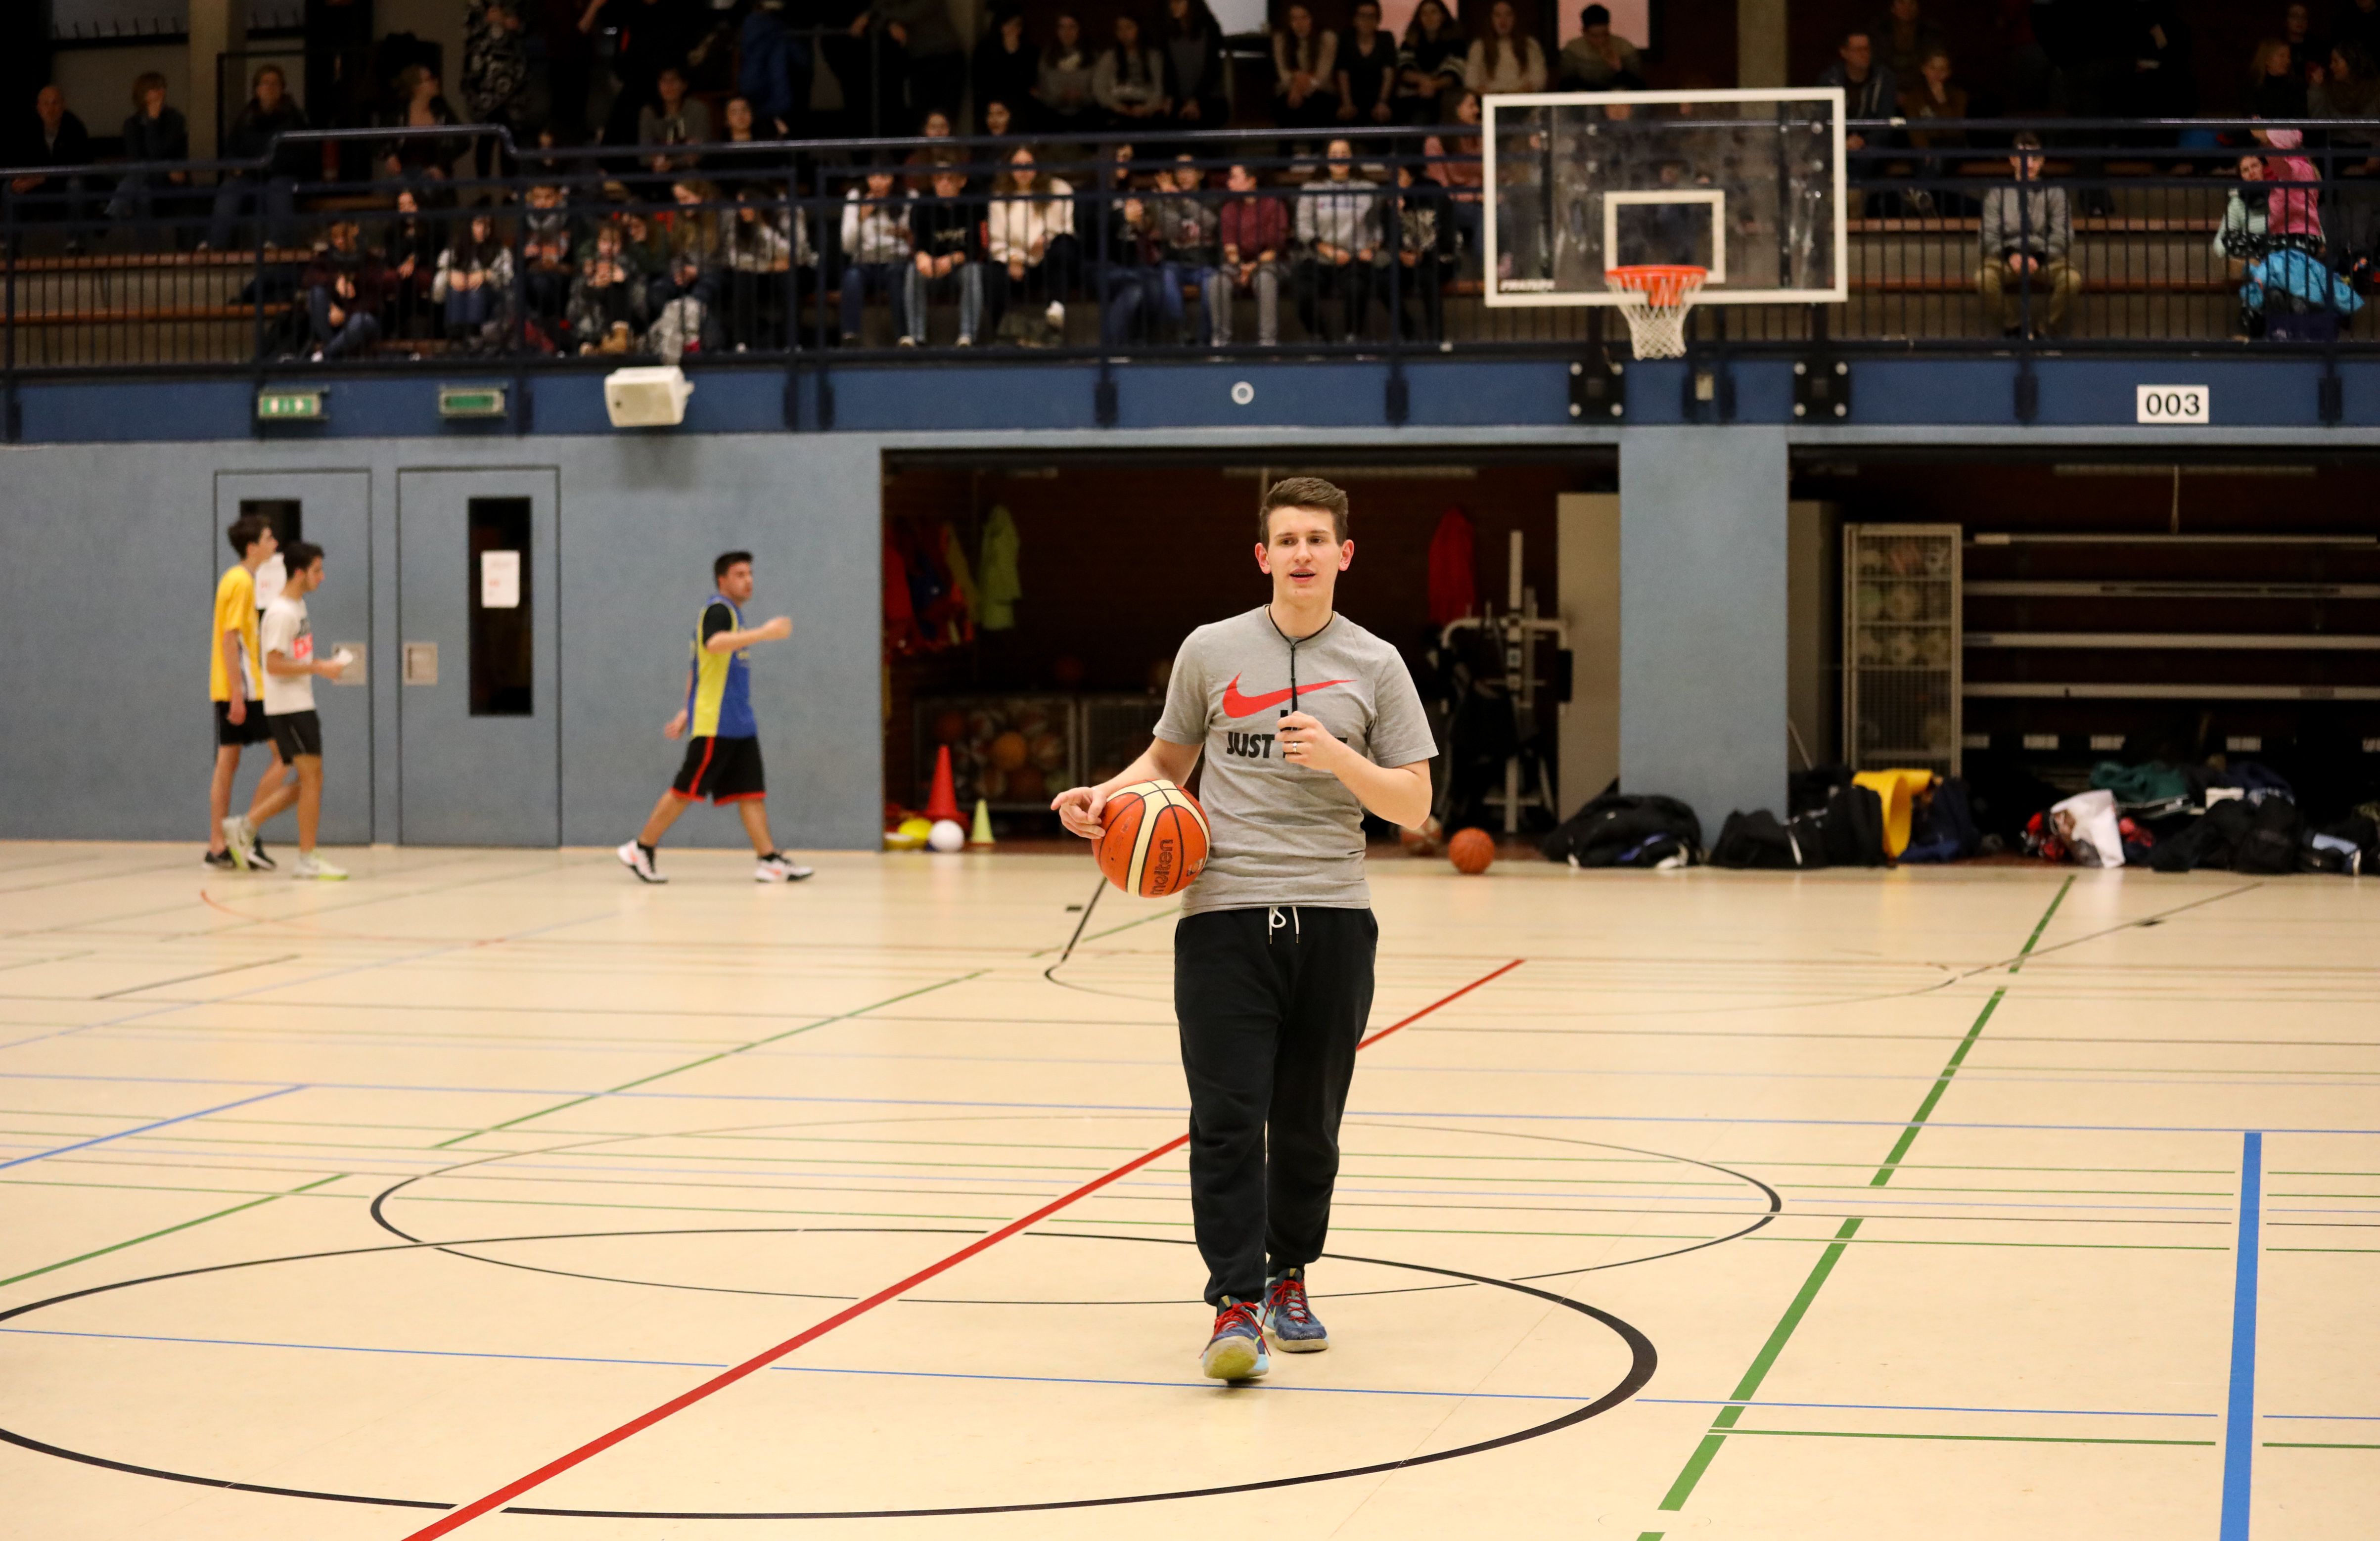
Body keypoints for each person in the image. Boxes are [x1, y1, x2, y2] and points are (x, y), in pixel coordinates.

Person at [1048, 476, 1435, 1383]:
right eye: (1286, 540)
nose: (1302, 554)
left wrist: (1339, 758)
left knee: (1307, 1126)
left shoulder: (1377, 664)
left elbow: (1416, 804)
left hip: (1333, 916)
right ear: (1263, 556)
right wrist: (1105, 795)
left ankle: (1288, 1276)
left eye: (1317, 539)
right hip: (1222, 918)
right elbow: (1168, 759)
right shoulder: (1210, 649)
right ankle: (1233, 1305)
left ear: (1344, 554)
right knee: (1226, 1120)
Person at [618, 551, 813, 885]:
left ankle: (769, 861)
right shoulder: (718, 611)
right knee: (686, 790)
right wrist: (764, 633)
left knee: (751, 792)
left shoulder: (734, 615)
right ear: (723, 580)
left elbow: (698, 668)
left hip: (739, 722)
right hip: (717, 722)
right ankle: (641, 847)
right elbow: (714, 645)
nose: (748, 580)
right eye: (739, 574)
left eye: (750, 573)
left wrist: (685, 710)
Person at [251, 542, 350, 881]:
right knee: (311, 779)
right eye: (316, 571)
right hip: (288, 707)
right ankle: (306, 857)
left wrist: (319, 666)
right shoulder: (281, 613)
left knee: (312, 779)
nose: (322, 577)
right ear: (299, 573)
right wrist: (319, 667)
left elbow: (295, 657)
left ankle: (246, 826)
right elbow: (274, 665)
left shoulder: (298, 606)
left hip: (300, 703)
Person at [209, 514, 291, 871]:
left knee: (227, 763)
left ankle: (218, 846)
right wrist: (239, 695)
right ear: (252, 547)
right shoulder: (242, 582)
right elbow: (231, 640)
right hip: (245, 690)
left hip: (230, 687)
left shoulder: (235, 578)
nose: (275, 544)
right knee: (285, 755)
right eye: (269, 538)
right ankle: (246, 832)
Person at [1977, 132, 2079, 338]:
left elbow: (2063, 235)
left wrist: (2039, 258)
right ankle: (2014, 328)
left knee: (2072, 280)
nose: (2030, 165)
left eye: (2035, 159)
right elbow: (1988, 235)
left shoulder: (2055, 192)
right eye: (2024, 159)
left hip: (2045, 257)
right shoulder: (1997, 193)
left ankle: (2046, 331)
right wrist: (2011, 255)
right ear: (2013, 160)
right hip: (2007, 257)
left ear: (2043, 161)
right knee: (1984, 279)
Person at [205, 65, 308, 252]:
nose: (270, 88)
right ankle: (216, 244)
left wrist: (267, 165)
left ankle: (280, 244)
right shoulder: (246, 118)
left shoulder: (294, 118)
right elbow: (231, 149)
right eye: (265, 83)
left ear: (283, 89)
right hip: (250, 177)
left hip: (282, 176)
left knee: (278, 187)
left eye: (275, 84)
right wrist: (235, 165)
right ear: (257, 89)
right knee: (230, 187)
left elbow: (300, 155)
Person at [985, 145, 1077, 342]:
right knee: (993, 275)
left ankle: (1056, 308)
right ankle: (1001, 333)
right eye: (1017, 165)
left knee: (1064, 246)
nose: (1023, 170)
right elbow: (997, 238)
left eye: (1028, 164)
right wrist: (1014, 258)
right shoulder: (1000, 196)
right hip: (1016, 262)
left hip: (1047, 259)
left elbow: (1064, 226)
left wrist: (1047, 238)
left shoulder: (1058, 189)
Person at [1296, 138, 1379, 343]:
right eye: (1334, 154)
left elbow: (1377, 228)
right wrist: (1326, 250)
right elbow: (1303, 227)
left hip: (1354, 259)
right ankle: (1319, 337)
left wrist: (1371, 248)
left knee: (1357, 288)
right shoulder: (1311, 188)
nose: (1339, 159)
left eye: (1344, 154)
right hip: (1319, 258)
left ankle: (1353, 338)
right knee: (1302, 292)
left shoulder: (1368, 189)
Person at [907, 156, 984, 345]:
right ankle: (917, 336)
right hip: (932, 267)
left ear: (962, 181)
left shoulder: (972, 205)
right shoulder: (922, 205)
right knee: (912, 272)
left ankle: (967, 336)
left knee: (973, 272)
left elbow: (976, 247)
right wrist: (921, 256)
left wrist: (953, 259)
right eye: (939, 179)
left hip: (959, 268)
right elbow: (918, 243)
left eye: (949, 179)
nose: (944, 183)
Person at [107, 74, 188, 246]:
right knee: (142, 193)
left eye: (163, 87)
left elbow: (157, 152)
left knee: (142, 174)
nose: (161, 92)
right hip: (145, 179)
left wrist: (153, 121)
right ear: (143, 95)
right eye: (155, 88)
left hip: (168, 181)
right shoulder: (132, 124)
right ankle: (150, 251)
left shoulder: (175, 119)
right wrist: (165, 166)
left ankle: (114, 209)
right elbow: (136, 159)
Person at [1150, 152, 1221, 344]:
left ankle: (1203, 340)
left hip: (1205, 263)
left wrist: (1183, 200)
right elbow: (1169, 231)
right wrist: (1165, 203)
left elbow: (1210, 224)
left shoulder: (1212, 199)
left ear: (1200, 174)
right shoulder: (1166, 199)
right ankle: (1181, 335)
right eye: (1179, 171)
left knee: (1212, 285)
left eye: (1188, 170)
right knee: (1165, 278)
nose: (1183, 176)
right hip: (1175, 263)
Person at [839, 163, 913, 345]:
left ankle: (904, 337)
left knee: (896, 276)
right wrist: (861, 218)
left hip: (896, 261)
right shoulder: (856, 197)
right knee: (852, 277)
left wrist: (904, 234)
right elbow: (847, 246)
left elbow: (913, 240)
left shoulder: (908, 197)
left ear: (893, 179)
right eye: (873, 177)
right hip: (864, 262)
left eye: (884, 177)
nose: (878, 183)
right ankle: (850, 336)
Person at [1216, 161, 1288, 346]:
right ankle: (1221, 343)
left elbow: (1274, 250)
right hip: (1238, 264)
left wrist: (1251, 268)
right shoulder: (1229, 209)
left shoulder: (1273, 205)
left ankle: (1268, 343)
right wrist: (1241, 266)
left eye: (1234, 177)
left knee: (1265, 279)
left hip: (1269, 263)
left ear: (1251, 181)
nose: (1229, 182)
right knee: (1217, 282)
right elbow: (1230, 247)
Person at [13, 86, 94, 249]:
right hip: (35, 186)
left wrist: (41, 178)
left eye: (55, 103)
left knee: (76, 185)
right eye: (46, 104)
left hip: (63, 184)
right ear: (38, 107)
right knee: (10, 188)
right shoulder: (28, 128)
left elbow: (78, 163)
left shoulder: (75, 127)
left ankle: (76, 242)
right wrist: (20, 179)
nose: (50, 109)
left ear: (64, 106)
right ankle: (11, 244)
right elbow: (20, 159)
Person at [463, 0, 531, 178]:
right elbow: (469, 28)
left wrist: (513, 23)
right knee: (486, 136)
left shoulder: (516, 4)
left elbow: (526, 25)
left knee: (510, 134)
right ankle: (483, 188)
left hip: (512, 76)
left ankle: (509, 188)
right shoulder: (476, 5)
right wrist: (489, 20)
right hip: (485, 77)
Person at [303, 220, 382, 359]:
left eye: (344, 236)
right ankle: (334, 350)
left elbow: (374, 300)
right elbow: (308, 278)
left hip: (360, 318)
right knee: (316, 294)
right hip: (332, 317)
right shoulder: (325, 258)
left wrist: (346, 313)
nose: (340, 241)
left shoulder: (371, 261)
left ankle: (326, 355)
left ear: (355, 233)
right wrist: (336, 281)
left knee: (361, 320)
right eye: (335, 237)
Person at [569, 220, 651, 353]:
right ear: (598, 243)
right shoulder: (589, 267)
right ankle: (594, 350)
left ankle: (620, 338)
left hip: (628, 321)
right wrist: (591, 286)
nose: (609, 247)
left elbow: (642, 305)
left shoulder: (630, 266)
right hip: (593, 324)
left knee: (617, 288)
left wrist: (625, 282)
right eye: (604, 242)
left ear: (622, 245)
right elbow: (573, 310)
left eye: (614, 243)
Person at [377, 65, 465, 185]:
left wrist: (440, 165)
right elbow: (376, 141)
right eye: (430, 79)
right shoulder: (399, 113)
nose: (436, 82)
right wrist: (389, 156)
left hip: (436, 179)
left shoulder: (441, 110)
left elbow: (463, 140)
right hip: (403, 178)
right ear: (416, 87)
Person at [435, 212, 514, 347]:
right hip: (461, 292)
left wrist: (487, 275)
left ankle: (474, 338)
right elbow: (440, 275)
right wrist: (450, 275)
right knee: (456, 292)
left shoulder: (500, 250)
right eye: (478, 224)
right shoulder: (455, 248)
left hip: (492, 295)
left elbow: (508, 278)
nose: (483, 230)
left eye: (487, 226)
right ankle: (456, 340)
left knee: (475, 293)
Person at [880, 0, 967, 122]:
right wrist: (890, 22)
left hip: (945, 58)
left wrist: (886, 18)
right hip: (919, 60)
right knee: (922, 118)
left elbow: (909, 14)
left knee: (944, 118)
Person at [1094, 14, 1172, 129]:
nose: (1124, 33)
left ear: (1139, 29)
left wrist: (1148, 108)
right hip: (1116, 106)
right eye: (1120, 29)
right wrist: (1115, 105)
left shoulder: (1154, 57)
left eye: (1129, 27)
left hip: (1145, 107)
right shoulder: (1109, 57)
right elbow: (1099, 87)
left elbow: (1159, 87)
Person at [1395, 0, 1467, 123]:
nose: (1429, 18)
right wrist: (1424, 82)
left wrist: (1432, 85)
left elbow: (1454, 73)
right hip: (1414, 97)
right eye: (1424, 14)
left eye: (1434, 12)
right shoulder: (1409, 42)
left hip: (1447, 97)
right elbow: (1404, 70)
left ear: (1443, 16)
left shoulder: (1457, 43)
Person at [1274, 4, 1340, 136]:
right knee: (1282, 103)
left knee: (1321, 103)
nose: (1300, 23)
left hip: (1319, 90)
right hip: (1290, 89)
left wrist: (1300, 89)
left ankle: (1317, 146)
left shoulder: (1327, 38)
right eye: (1294, 19)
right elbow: (1283, 73)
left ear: (1312, 19)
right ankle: (1285, 147)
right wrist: (1295, 87)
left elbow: (1323, 75)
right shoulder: (1281, 39)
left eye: (1304, 18)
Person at [1163, 0, 1229, 129]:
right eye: (1171, 3)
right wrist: (1170, 98)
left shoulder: (1209, 29)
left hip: (1209, 99)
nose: (1174, 7)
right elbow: (1169, 71)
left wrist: (1195, 100)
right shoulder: (1170, 33)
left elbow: (1211, 70)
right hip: (1181, 99)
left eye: (1179, 2)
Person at [974, 5, 1042, 129]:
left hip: (1020, 105)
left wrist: (1014, 53)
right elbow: (983, 81)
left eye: (1017, 25)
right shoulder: (985, 50)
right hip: (992, 102)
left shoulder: (1030, 52)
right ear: (1001, 26)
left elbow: (1028, 83)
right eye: (1009, 24)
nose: (1013, 29)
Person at [639, 66, 712, 179]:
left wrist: (673, 163)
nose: (669, 86)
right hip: (657, 174)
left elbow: (700, 152)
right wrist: (656, 161)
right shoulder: (649, 112)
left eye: (673, 81)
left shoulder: (698, 109)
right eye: (664, 81)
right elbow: (644, 154)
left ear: (684, 85)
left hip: (691, 173)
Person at [1465, 1, 1548, 97]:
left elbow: (1539, 81)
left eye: (1508, 15)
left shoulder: (1530, 45)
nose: (1503, 20)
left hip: (1522, 100)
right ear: (1490, 19)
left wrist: (1517, 93)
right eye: (1498, 15)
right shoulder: (1479, 47)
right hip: (1490, 101)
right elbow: (1471, 82)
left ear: (1515, 18)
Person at [1336, 1, 1398, 127]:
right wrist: (1347, 103)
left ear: (1378, 19)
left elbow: (1389, 73)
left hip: (1379, 96)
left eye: (1371, 16)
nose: (1367, 21)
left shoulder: (1386, 38)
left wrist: (1382, 102)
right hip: (1352, 96)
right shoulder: (1346, 38)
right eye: (1362, 16)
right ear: (1354, 19)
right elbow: (1343, 72)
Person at [1556, 4, 1644, 90]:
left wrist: (1619, 69)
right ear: (1584, 32)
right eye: (1595, 36)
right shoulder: (1573, 50)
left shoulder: (1625, 48)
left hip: (1616, 95)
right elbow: (1565, 86)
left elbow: (1639, 87)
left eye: (1605, 35)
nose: (1601, 40)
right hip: (1584, 95)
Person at [1035, 13, 1097, 132]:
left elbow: (1097, 91)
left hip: (1087, 115)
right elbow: (1043, 92)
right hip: (1053, 116)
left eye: (1072, 27)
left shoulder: (1093, 57)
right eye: (1062, 27)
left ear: (1080, 30)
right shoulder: (1047, 58)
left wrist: (1081, 96)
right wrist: (1061, 97)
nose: (1067, 32)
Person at [1871, 0, 1947, 89]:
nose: (1907, 8)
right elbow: (1877, 63)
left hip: (1923, 85)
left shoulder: (1931, 32)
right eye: (1901, 3)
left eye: (1912, 4)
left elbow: (1934, 61)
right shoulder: (1879, 30)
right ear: (1893, 7)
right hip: (1886, 85)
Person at [2246, 37, 2310, 117]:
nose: (2288, 61)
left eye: (2289, 57)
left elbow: (2301, 116)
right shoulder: (2252, 86)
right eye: (2282, 56)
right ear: (2267, 59)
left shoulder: (2296, 86)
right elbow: (2252, 115)